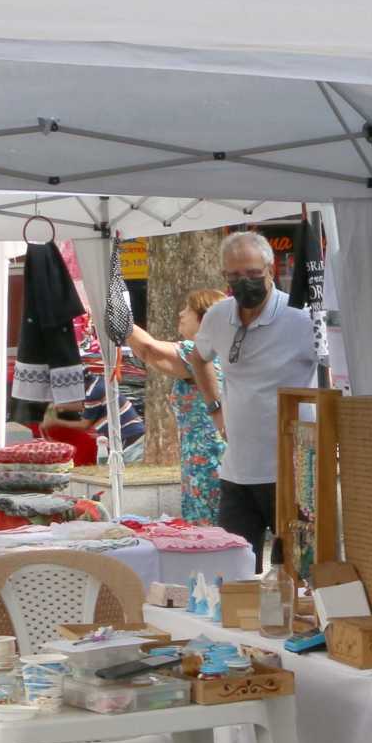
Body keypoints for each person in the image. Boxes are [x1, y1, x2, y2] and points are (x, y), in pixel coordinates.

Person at [128, 234, 314, 554]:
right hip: (237, 473)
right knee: (233, 570)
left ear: (270, 269)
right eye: (234, 276)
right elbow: (199, 359)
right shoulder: (217, 318)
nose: (245, 283)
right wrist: (215, 407)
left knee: (298, 571)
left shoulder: (300, 318)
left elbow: (336, 373)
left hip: (291, 473)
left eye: (253, 274)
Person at [127, 287, 227, 524]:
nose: (181, 313)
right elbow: (146, 352)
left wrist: (118, 316)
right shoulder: (217, 353)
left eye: (188, 309)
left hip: (208, 462)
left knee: (210, 536)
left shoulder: (199, 352)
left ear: (205, 318)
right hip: (206, 459)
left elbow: (149, 349)